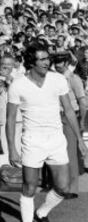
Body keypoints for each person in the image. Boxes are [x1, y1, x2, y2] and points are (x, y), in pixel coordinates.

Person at [6, 43, 88, 222]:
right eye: (41, 59)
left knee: (62, 186)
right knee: (29, 187)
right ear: (31, 62)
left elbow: (69, 110)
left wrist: (79, 140)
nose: (46, 62)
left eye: (47, 58)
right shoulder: (18, 84)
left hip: (56, 139)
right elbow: (10, 119)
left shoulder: (58, 80)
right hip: (32, 141)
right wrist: (12, 149)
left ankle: (41, 213)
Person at [53, 52, 87, 199]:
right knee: (59, 151)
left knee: (70, 153)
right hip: (57, 116)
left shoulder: (74, 79)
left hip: (70, 116)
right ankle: (60, 185)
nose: (57, 64)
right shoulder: (55, 79)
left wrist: (81, 122)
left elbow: (82, 103)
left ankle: (72, 189)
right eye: (56, 62)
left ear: (66, 63)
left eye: (60, 62)